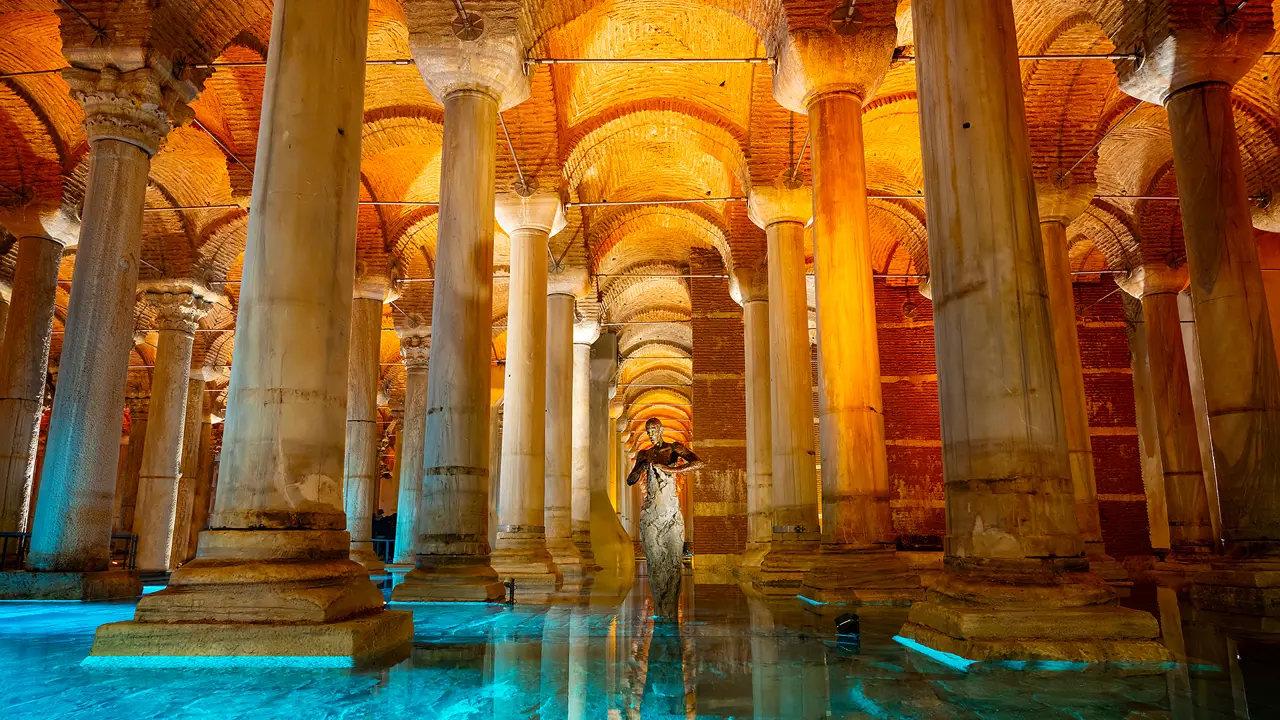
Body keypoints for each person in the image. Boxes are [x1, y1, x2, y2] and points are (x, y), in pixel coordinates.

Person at [626, 417, 704, 617]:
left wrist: (672, 469)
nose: (651, 435)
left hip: (671, 514)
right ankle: (660, 609)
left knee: (673, 564)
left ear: (661, 430)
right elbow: (630, 480)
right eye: (648, 432)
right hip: (651, 515)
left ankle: (671, 610)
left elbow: (698, 463)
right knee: (655, 565)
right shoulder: (644, 454)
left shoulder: (673, 448)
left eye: (653, 431)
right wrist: (640, 468)